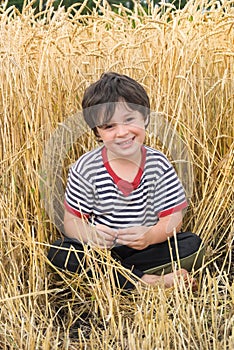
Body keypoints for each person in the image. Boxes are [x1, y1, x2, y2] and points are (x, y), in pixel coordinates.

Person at [47, 72, 204, 291]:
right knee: (61, 252)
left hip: (146, 249)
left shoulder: (158, 164)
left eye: (129, 120)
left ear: (145, 118)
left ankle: (118, 279)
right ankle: (146, 282)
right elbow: (72, 222)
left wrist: (149, 236)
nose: (121, 133)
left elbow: (172, 220)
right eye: (108, 126)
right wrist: (91, 235)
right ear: (97, 132)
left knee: (192, 244)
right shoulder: (85, 169)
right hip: (103, 253)